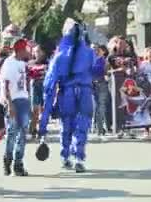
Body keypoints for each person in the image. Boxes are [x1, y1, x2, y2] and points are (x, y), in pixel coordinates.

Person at [38, 18, 104, 173]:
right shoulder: (89, 53)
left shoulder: (59, 56)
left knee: (66, 123)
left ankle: (65, 156)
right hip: (85, 91)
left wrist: (43, 123)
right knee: (83, 123)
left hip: (67, 92)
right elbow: (97, 70)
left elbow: (49, 85)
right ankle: (79, 158)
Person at [0, 39, 32, 177]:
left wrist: (28, 100)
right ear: (20, 50)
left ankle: (18, 164)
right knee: (12, 133)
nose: (28, 51)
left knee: (23, 133)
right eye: (26, 49)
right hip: (13, 101)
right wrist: (10, 105)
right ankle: (7, 161)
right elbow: (6, 86)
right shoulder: (9, 63)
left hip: (23, 100)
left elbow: (24, 84)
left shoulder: (22, 63)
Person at [28, 45, 48, 140]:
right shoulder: (30, 63)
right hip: (34, 87)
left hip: (44, 87)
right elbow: (27, 76)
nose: (38, 53)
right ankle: (33, 129)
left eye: (39, 51)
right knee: (34, 110)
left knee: (43, 110)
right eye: (36, 51)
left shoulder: (48, 63)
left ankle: (42, 130)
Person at [92, 44, 109, 138]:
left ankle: (99, 127)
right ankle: (95, 126)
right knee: (95, 106)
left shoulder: (103, 60)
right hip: (90, 85)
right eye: (92, 49)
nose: (94, 50)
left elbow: (107, 71)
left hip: (101, 83)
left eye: (96, 48)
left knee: (101, 105)